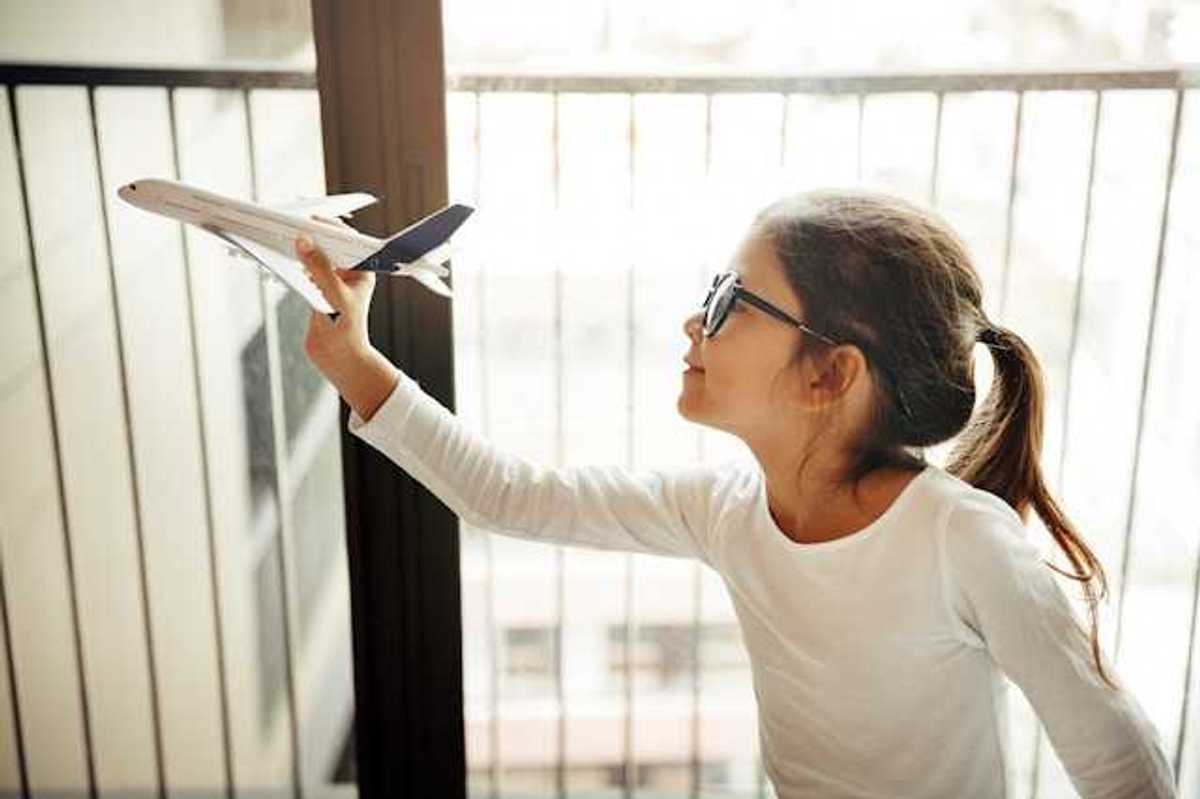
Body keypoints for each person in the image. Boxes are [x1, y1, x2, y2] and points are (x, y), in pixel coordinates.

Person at [294, 188, 1177, 798]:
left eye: (729, 301)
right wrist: (357, 364)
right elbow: (510, 495)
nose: (694, 319)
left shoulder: (964, 540)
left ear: (830, 373)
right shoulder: (725, 509)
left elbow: (1116, 757)